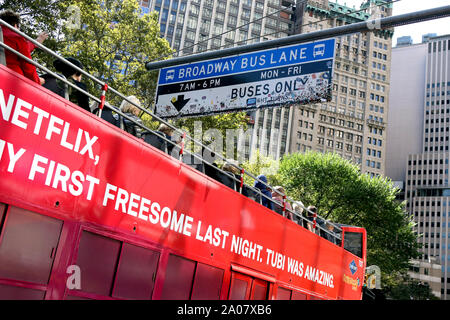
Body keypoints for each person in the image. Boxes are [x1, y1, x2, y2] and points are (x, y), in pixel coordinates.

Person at [0, 9, 48, 84]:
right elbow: (27, 65)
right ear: (15, 25)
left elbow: (19, 48)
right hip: (13, 80)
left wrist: (36, 43)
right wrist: (38, 81)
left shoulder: (5, 36)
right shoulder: (16, 37)